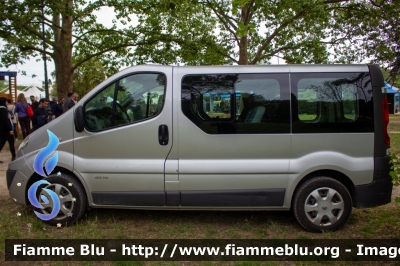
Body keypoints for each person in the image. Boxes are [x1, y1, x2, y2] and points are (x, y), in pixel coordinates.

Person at [0, 97, 16, 162]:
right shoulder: (3, 110)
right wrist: (10, 129)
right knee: (11, 143)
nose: (7, 103)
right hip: (6, 129)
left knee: (1, 143)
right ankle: (14, 157)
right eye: (6, 101)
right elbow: (6, 120)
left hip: (1, 129)